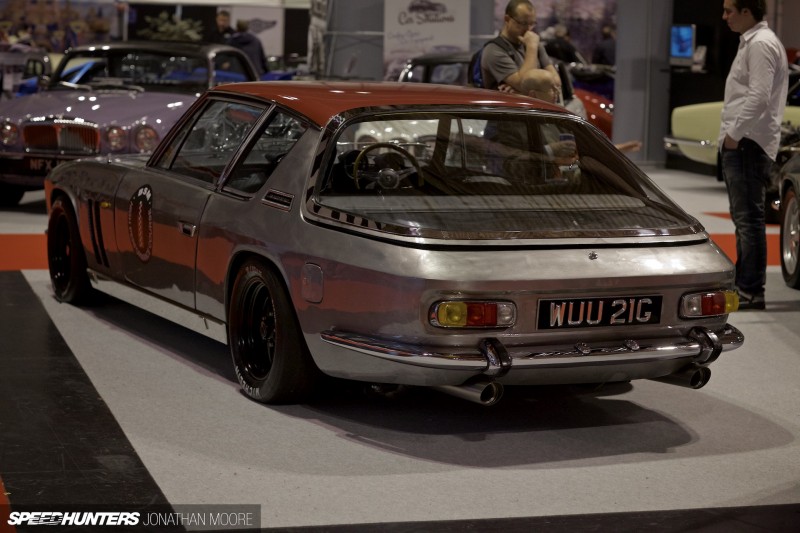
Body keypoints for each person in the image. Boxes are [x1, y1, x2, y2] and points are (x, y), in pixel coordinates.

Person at [718, 0, 788, 310]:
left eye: (729, 10)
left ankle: (749, 290)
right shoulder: (755, 41)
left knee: (749, 219)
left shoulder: (760, 44)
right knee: (745, 217)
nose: (725, 16)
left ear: (748, 11)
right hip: (747, 142)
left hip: (748, 143)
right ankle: (745, 286)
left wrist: (734, 135)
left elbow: (759, 96)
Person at [520, 69, 642, 153]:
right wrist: (551, 150)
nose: (557, 92)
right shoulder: (516, 119)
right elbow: (515, 155)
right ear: (533, 94)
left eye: (557, 87)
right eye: (551, 89)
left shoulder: (555, 117)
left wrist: (615, 149)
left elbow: (583, 148)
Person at [480, 0, 557, 93]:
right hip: (509, 107)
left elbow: (557, 81)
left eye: (532, 23)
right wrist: (531, 48)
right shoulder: (494, 50)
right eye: (523, 23)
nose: (528, 29)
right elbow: (525, 85)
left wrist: (518, 90)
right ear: (507, 19)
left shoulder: (535, 44)